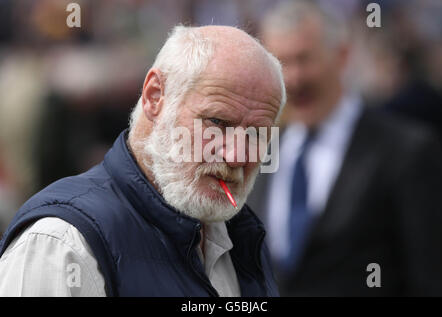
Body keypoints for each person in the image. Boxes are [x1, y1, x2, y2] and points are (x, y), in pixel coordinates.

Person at [0, 25, 286, 297]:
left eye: (256, 134)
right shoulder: (63, 244)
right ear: (154, 96)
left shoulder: (242, 240)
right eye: (218, 122)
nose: (236, 155)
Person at [247, 0, 442, 296]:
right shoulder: (263, 153)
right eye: (281, 63)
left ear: (342, 56)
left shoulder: (407, 151)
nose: (294, 78)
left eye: (304, 59)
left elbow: (432, 278)